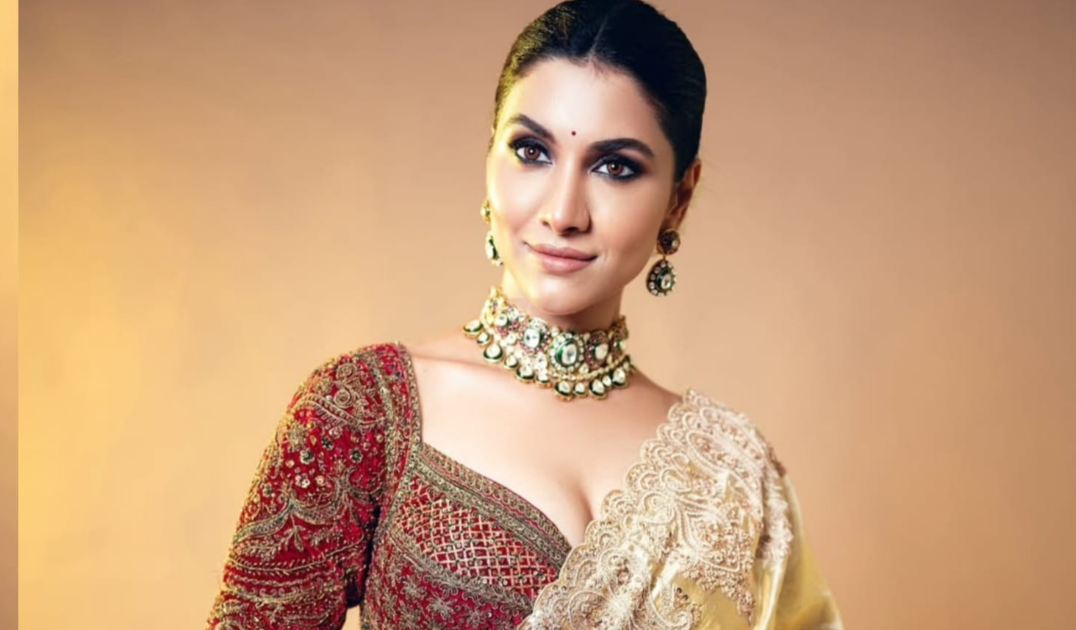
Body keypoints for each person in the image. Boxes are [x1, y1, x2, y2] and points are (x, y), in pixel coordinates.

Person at [204, 1, 844, 628]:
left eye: (615, 167)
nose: (563, 212)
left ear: (679, 198)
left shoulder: (735, 470)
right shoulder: (365, 411)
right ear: (490, 160)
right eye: (532, 151)